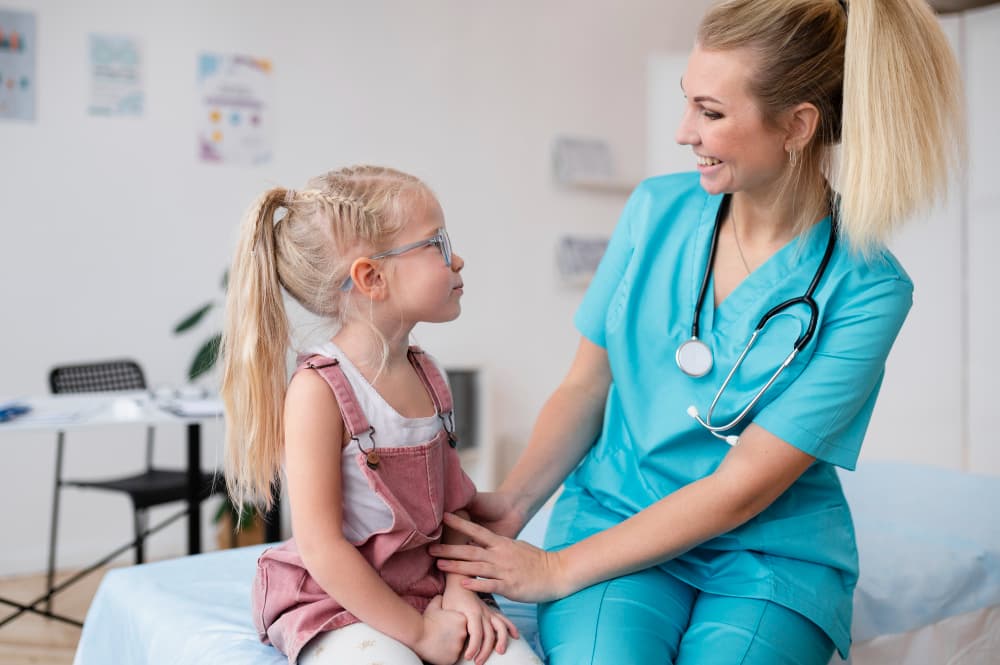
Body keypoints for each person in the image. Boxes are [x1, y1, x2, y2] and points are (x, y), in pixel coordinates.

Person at [431, 1, 965, 664]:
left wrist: (556, 569)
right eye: (689, 103)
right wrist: (512, 502)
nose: (685, 131)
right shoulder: (654, 210)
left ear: (797, 125)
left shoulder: (868, 289)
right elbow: (585, 386)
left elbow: (742, 485)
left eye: (710, 112)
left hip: (769, 554)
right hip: (615, 519)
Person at [220, 166, 541, 665]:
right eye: (435, 244)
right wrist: (419, 634)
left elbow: (451, 506)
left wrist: (459, 590)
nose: (456, 258)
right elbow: (323, 548)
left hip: (426, 580)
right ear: (371, 277)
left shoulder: (429, 374)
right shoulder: (317, 392)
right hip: (339, 598)